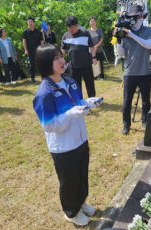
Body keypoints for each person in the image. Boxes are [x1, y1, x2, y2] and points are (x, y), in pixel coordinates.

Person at [33, 44, 103, 227]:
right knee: (69, 181)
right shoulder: (44, 93)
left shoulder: (70, 82)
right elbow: (48, 125)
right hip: (63, 147)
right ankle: (71, 212)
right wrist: (70, 114)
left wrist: (88, 103)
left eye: (61, 56)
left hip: (80, 139)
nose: (62, 61)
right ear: (46, 63)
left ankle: (80, 203)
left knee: (81, 176)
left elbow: (77, 102)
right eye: (56, 58)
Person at [115, 5, 151, 134]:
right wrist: (119, 40)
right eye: (133, 17)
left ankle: (145, 120)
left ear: (143, 17)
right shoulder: (125, 32)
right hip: (129, 73)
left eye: (138, 16)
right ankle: (126, 124)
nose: (136, 19)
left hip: (145, 72)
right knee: (126, 102)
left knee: (146, 101)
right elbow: (121, 54)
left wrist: (132, 35)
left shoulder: (148, 31)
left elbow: (148, 45)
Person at [61, 16, 97, 98]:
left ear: (77, 25)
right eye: (69, 28)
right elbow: (63, 50)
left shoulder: (85, 33)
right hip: (73, 66)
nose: (70, 30)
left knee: (90, 84)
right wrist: (61, 61)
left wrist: (94, 57)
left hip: (86, 65)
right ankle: (79, 100)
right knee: (76, 86)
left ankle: (92, 99)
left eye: (72, 28)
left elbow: (92, 46)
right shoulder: (65, 36)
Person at [23, 16, 44, 83]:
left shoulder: (38, 32)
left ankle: (43, 77)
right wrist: (25, 50)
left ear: (34, 23)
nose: (30, 23)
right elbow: (24, 41)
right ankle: (32, 78)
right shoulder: (25, 32)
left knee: (40, 64)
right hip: (30, 51)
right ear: (27, 23)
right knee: (32, 65)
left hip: (38, 50)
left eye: (31, 21)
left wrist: (42, 49)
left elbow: (42, 42)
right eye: (29, 22)